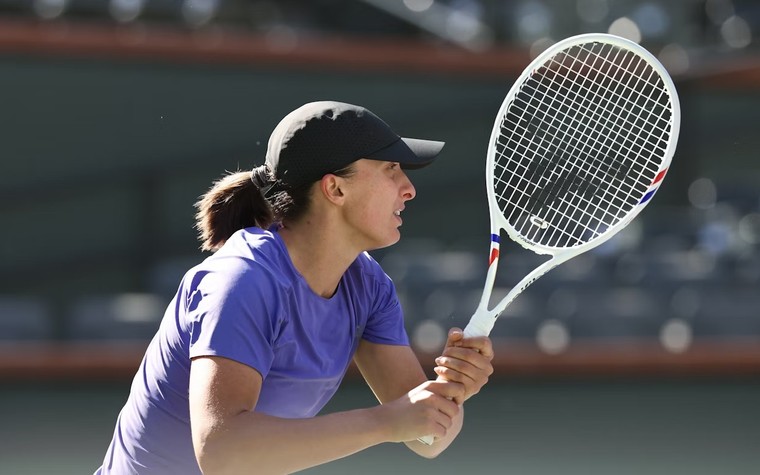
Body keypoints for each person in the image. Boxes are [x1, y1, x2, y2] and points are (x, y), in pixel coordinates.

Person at [95, 100, 494, 474]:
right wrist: (386, 421)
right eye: (391, 168)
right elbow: (221, 453)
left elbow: (425, 439)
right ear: (335, 188)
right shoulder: (243, 280)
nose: (409, 188)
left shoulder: (369, 286)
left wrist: (449, 392)